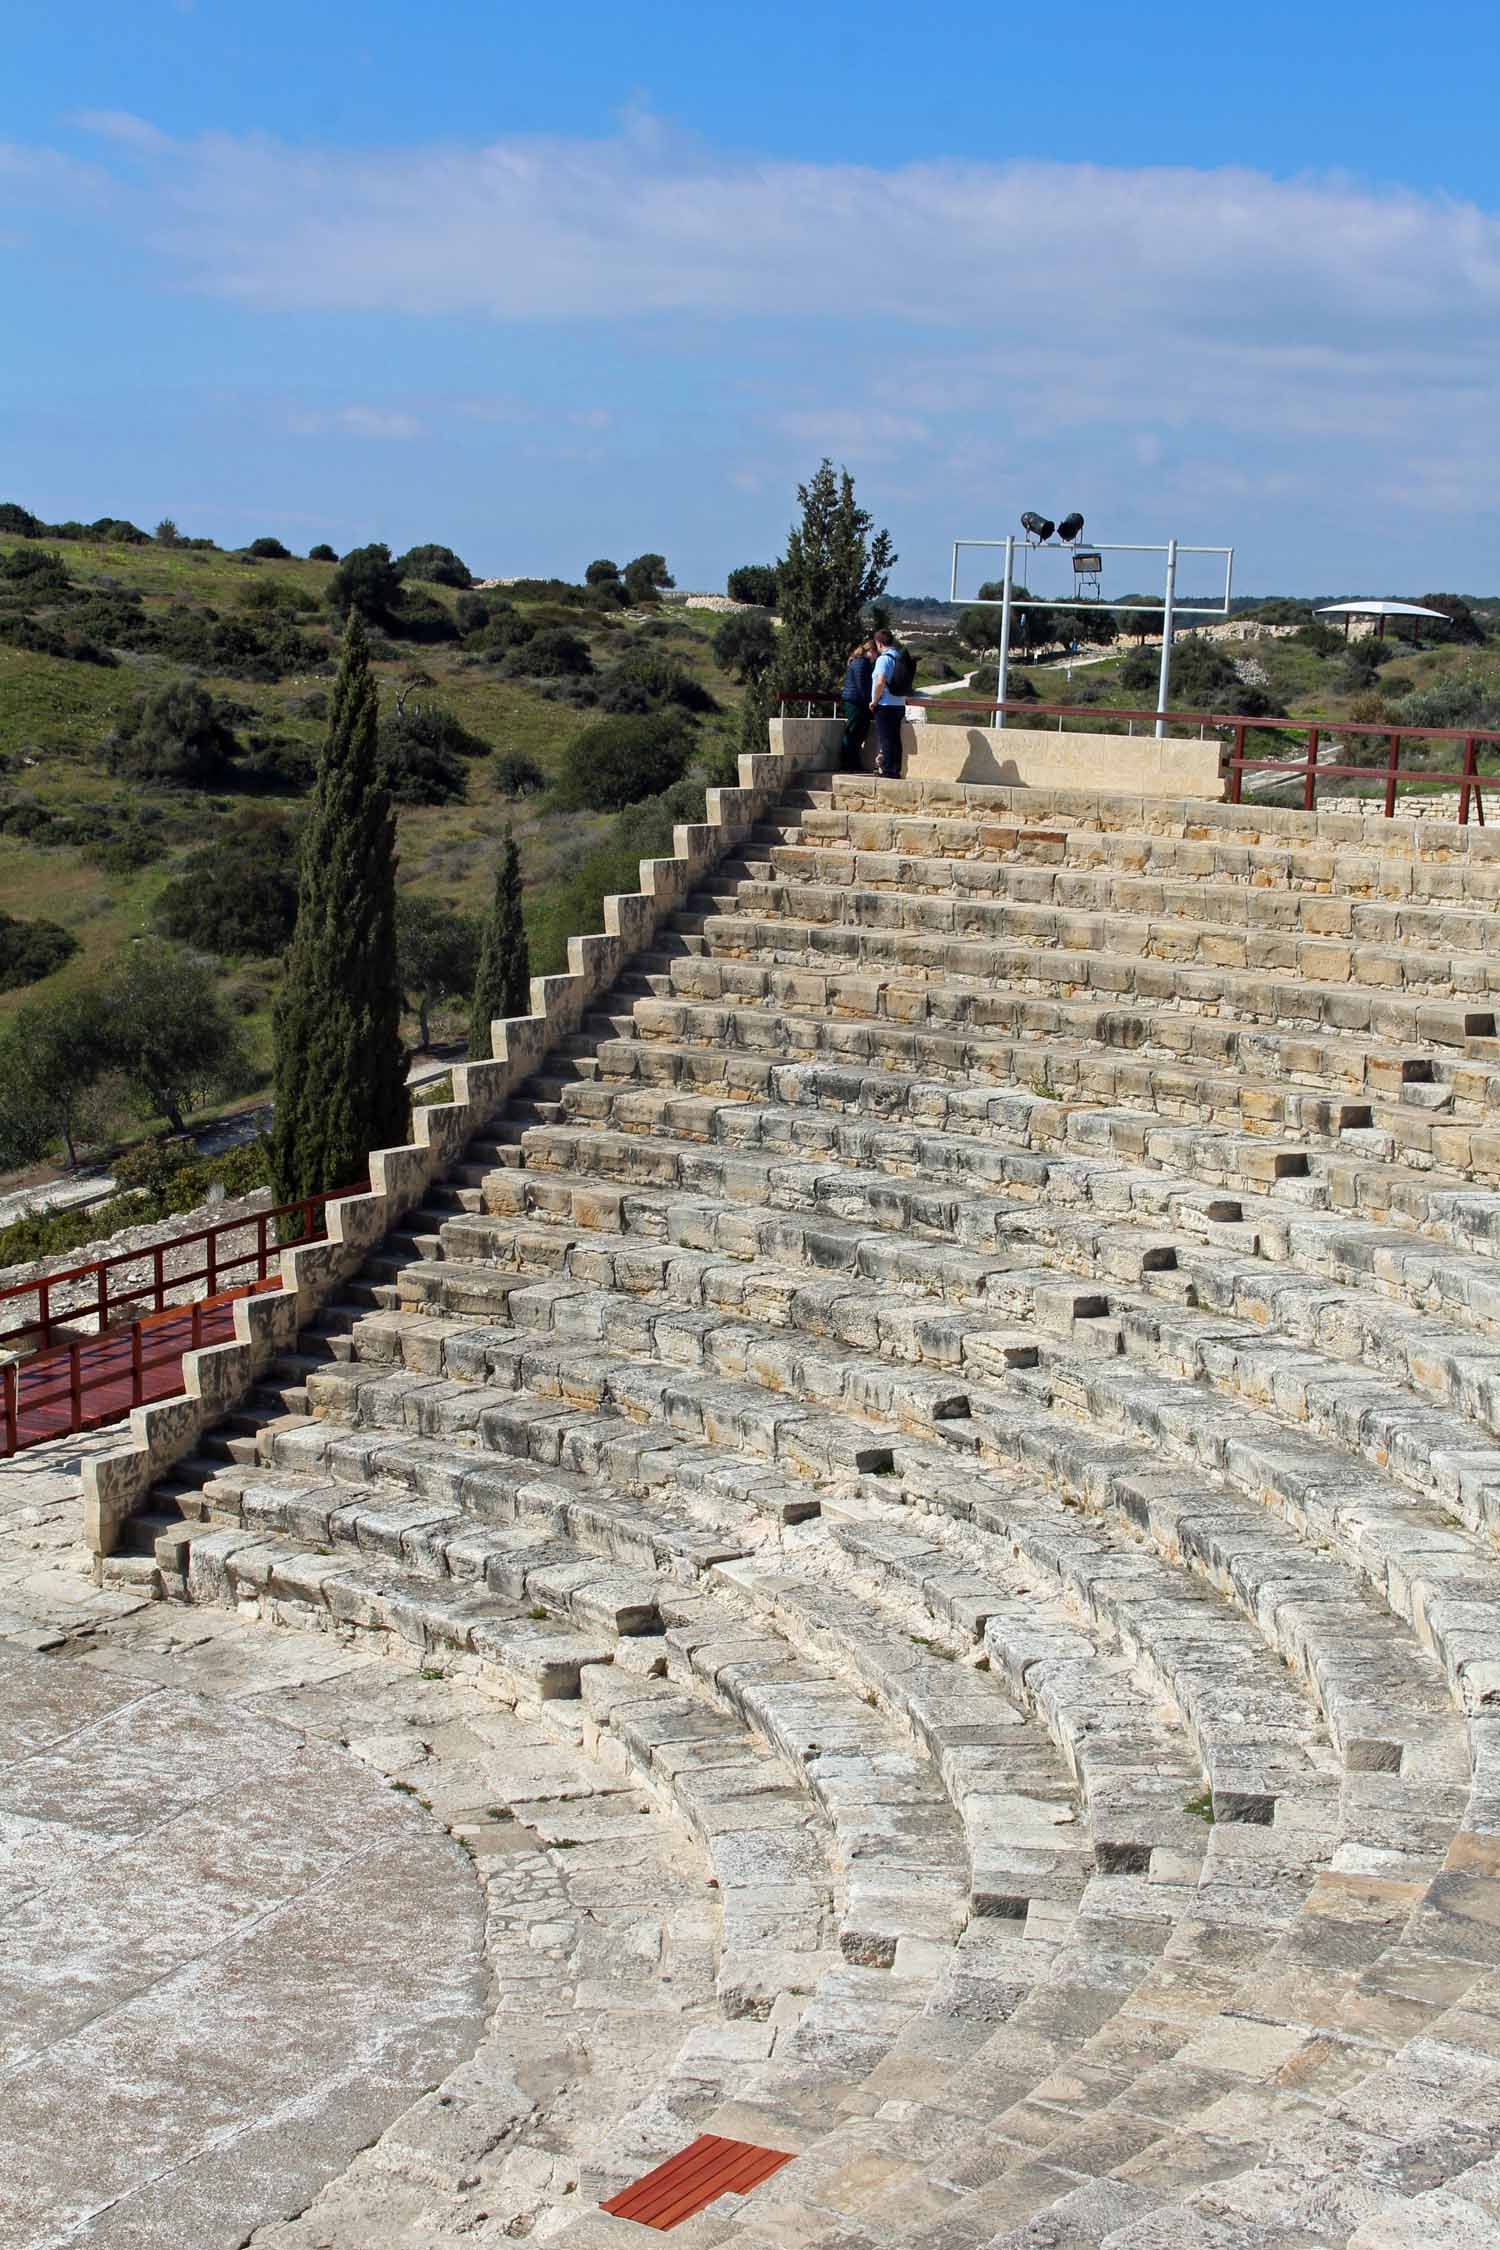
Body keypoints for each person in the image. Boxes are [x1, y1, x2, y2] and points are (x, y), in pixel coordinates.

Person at [869, 628, 905, 779]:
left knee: (886, 738)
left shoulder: (883, 659)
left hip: (885, 704)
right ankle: (895, 769)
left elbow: (880, 681)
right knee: (895, 738)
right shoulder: (899, 657)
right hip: (899, 703)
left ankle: (888, 770)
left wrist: (874, 701)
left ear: (879, 643)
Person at [839, 638, 874, 771]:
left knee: (857, 732)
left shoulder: (859, 661)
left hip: (856, 701)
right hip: (856, 702)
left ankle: (852, 763)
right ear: (870, 651)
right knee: (853, 731)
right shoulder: (861, 663)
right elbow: (861, 686)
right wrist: (868, 702)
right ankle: (848, 763)